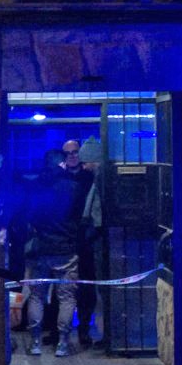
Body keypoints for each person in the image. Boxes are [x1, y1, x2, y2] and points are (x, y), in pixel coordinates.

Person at [22, 142, 91, 357]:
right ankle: (62, 342)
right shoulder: (74, 187)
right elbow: (81, 217)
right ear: (61, 164)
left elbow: (29, 216)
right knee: (67, 298)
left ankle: (34, 342)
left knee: (36, 296)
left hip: (41, 248)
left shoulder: (36, 187)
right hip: (66, 249)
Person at [73, 137, 105, 347]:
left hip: (93, 243)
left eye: (86, 162)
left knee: (94, 290)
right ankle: (93, 331)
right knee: (94, 290)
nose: (83, 166)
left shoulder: (96, 182)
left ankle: (93, 331)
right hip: (93, 243)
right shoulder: (94, 181)